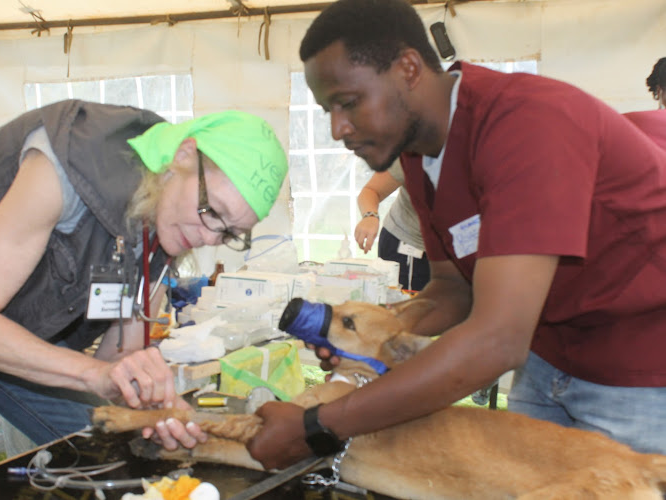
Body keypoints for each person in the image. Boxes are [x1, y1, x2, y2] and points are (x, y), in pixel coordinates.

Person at [243, 0, 666, 471]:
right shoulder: (420, 152)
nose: (338, 129)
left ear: (408, 68)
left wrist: (319, 427)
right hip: (549, 355)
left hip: (640, 372)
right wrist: (380, 336)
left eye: (348, 102)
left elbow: (496, 340)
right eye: (327, 110)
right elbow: (453, 287)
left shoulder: (528, 124)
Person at [0, 99, 288, 492]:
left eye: (228, 233)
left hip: (5, 323)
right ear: (183, 154)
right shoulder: (62, 170)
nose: (210, 238)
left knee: (110, 444)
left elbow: (118, 361)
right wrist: (93, 373)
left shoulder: (166, 224)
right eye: (212, 211)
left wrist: (153, 410)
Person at [354, 158, 430, 291]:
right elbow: (371, 190)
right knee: (409, 307)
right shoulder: (413, 154)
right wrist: (370, 216)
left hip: (456, 249)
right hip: (408, 245)